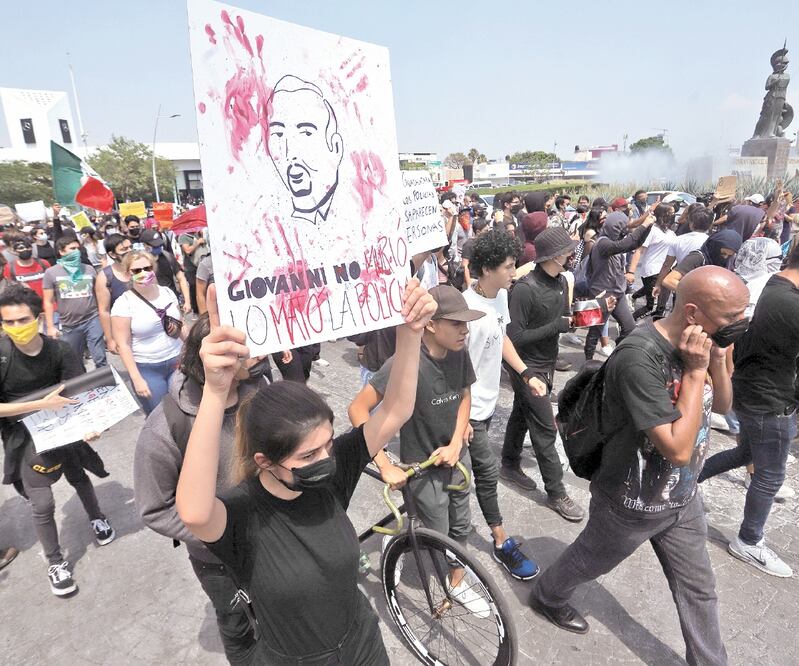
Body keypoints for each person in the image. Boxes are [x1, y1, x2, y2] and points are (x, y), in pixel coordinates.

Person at [175, 279, 436, 665]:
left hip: (363, 645)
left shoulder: (333, 473)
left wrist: (411, 332)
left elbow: (395, 409)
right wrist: (215, 391)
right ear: (265, 461)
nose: (326, 458)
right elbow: (194, 512)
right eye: (308, 454)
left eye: (328, 443)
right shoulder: (243, 515)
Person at [530, 266, 748, 666]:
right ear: (694, 312)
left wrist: (717, 358)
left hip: (682, 496)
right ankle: (547, 595)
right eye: (732, 316)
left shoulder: (703, 344)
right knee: (588, 560)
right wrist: (695, 371)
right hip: (631, 502)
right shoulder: (639, 357)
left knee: (699, 589)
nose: (741, 322)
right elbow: (676, 449)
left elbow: (722, 405)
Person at [134, 314, 269, 663]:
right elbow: (156, 509)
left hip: (272, 540)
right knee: (236, 622)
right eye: (247, 347)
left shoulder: (262, 390)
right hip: (217, 561)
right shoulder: (165, 427)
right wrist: (216, 533)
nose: (259, 353)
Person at [349, 285, 490, 615]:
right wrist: (384, 464)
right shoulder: (403, 363)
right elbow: (357, 410)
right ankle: (397, 540)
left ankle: (455, 584)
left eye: (466, 323)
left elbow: (464, 395)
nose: (465, 330)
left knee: (461, 526)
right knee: (437, 533)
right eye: (456, 323)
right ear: (430, 324)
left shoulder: (459, 353)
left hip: (456, 457)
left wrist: (457, 441)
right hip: (421, 465)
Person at [0, 284, 115, 596]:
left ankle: (97, 517)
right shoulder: (2, 355)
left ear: (38, 318)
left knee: (79, 476)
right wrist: (40, 405)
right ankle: (55, 562)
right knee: (42, 502)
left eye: (23, 320)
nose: (16, 327)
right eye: (8, 322)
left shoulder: (60, 350)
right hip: (25, 438)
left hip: (66, 427)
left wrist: (91, 425)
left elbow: (82, 391)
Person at [698, 243, 799, 577]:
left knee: (745, 454)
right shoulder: (789, 301)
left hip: (754, 389)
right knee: (769, 476)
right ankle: (749, 540)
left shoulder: (774, 285)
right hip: (770, 400)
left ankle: (686, 482)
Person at [461, 231, 544, 579]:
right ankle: (500, 541)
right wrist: (461, 420)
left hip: (487, 404)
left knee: (463, 475)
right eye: (509, 267)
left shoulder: (501, 296)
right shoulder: (466, 311)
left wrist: (526, 373)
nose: (514, 272)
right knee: (485, 473)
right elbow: (456, 373)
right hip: (468, 412)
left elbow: (503, 337)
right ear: (486, 269)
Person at [500, 227, 588, 521]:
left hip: (547, 362)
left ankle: (509, 463)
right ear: (553, 256)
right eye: (567, 251)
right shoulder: (525, 289)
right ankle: (556, 493)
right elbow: (514, 338)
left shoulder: (561, 280)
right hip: (525, 367)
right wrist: (557, 326)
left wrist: (585, 314)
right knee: (545, 429)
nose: (572, 255)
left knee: (521, 413)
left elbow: (560, 319)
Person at [111, 251, 184, 415]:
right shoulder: (123, 304)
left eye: (147, 268)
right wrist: (137, 379)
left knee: (184, 412)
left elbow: (181, 326)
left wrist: (196, 350)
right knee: (160, 417)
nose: (143, 273)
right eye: (137, 270)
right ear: (128, 274)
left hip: (178, 361)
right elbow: (123, 345)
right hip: (148, 369)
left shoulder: (167, 292)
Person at [583, 198, 654, 360]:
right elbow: (627, 244)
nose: (625, 232)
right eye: (623, 228)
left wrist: (648, 226)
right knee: (595, 331)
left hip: (617, 292)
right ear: (615, 228)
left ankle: (616, 357)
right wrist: (644, 225)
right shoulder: (603, 243)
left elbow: (635, 243)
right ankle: (588, 361)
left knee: (629, 328)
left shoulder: (613, 241)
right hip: (601, 294)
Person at [42, 237, 108, 369]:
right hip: (69, 324)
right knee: (75, 360)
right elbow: (48, 301)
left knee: (99, 356)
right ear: (61, 251)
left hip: (92, 319)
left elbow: (99, 294)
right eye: (72, 249)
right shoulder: (51, 273)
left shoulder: (89, 269)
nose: (76, 252)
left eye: (78, 248)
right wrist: (50, 326)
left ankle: (106, 379)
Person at [627, 203, 677, 319]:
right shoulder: (652, 230)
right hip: (652, 271)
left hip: (666, 272)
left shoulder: (670, 233)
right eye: (670, 214)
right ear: (662, 215)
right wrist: (631, 272)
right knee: (652, 307)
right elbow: (639, 251)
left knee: (660, 308)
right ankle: (626, 324)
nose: (673, 216)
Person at [661, 230, 743, 293]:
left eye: (729, 255)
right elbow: (668, 280)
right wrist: (698, 294)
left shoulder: (727, 261)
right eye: (723, 253)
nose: (725, 257)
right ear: (714, 247)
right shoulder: (697, 257)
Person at [95, 234, 131, 355]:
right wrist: (110, 339)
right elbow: (104, 310)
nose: (129, 251)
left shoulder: (141, 268)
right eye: (124, 249)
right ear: (112, 254)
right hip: (124, 332)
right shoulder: (105, 277)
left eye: (130, 247)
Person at [140, 229, 192, 313]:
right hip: (152, 306)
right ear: (144, 246)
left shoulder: (167, 256)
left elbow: (181, 278)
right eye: (154, 245)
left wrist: (187, 301)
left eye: (159, 244)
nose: (158, 247)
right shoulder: (139, 264)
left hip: (172, 302)